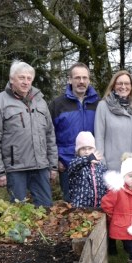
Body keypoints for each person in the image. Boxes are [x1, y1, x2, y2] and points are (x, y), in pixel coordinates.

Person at [0, 60, 58, 206]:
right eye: (21, 78)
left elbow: (50, 135)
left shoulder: (40, 102)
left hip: (41, 166)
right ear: (12, 79)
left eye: (29, 78)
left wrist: (53, 166)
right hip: (15, 168)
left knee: (46, 209)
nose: (26, 82)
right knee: (17, 213)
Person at [49, 63, 100, 202]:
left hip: (93, 163)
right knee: (70, 204)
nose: (81, 81)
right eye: (77, 78)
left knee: (94, 203)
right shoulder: (57, 104)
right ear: (69, 80)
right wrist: (56, 159)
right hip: (67, 163)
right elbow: (49, 135)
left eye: (85, 78)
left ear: (89, 80)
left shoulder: (98, 104)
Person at [95, 70, 132, 171]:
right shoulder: (103, 106)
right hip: (112, 166)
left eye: (127, 83)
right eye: (119, 83)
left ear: (131, 86)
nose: (123, 86)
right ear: (113, 86)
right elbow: (99, 137)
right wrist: (101, 163)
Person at [68, 131, 107, 208]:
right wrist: (88, 159)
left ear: (94, 149)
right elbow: (73, 166)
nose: (87, 151)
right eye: (83, 149)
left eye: (90, 148)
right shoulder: (76, 163)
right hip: (80, 206)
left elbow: (105, 184)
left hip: (98, 206)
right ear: (78, 150)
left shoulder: (100, 166)